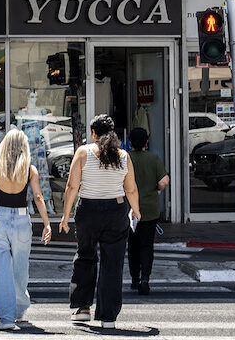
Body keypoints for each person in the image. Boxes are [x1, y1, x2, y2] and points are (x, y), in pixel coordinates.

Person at [60, 114, 141, 327]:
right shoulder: (123, 156)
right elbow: (131, 189)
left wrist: (65, 215)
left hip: (88, 209)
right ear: (112, 133)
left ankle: (83, 308)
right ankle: (108, 317)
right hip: (116, 210)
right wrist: (136, 211)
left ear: (93, 133)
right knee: (112, 264)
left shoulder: (83, 152)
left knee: (85, 256)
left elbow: (71, 187)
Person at [0, 128, 53, 331]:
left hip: (0, 217)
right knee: (20, 267)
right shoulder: (29, 169)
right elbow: (38, 198)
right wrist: (46, 223)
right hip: (21, 220)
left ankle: (5, 317)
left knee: (0, 267)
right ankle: (18, 310)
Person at [125, 126, 170, 294]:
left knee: (133, 246)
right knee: (147, 246)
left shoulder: (125, 158)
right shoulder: (153, 159)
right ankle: (145, 278)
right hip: (150, 209)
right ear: (146, 142)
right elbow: (164, 181)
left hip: (130, 210)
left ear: (130, 143)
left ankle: (135, 279)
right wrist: (157, 190)